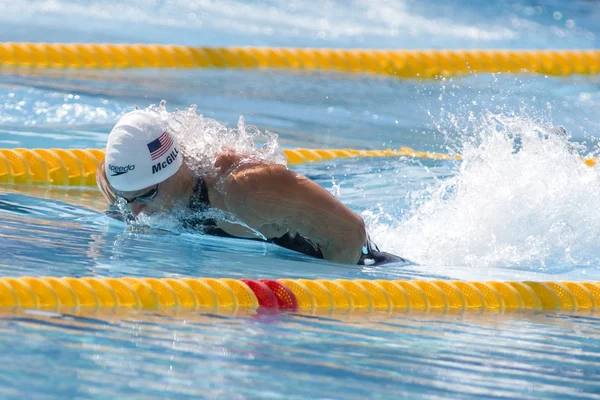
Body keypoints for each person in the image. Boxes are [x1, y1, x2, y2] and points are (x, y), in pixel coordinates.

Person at [96, 109, 408, 266]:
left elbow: (350, 232)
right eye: (127, 199)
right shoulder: (124, 181)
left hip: (367, 267)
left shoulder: (242, 191)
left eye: (147, 196)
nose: (135, 211)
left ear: (173, 172)